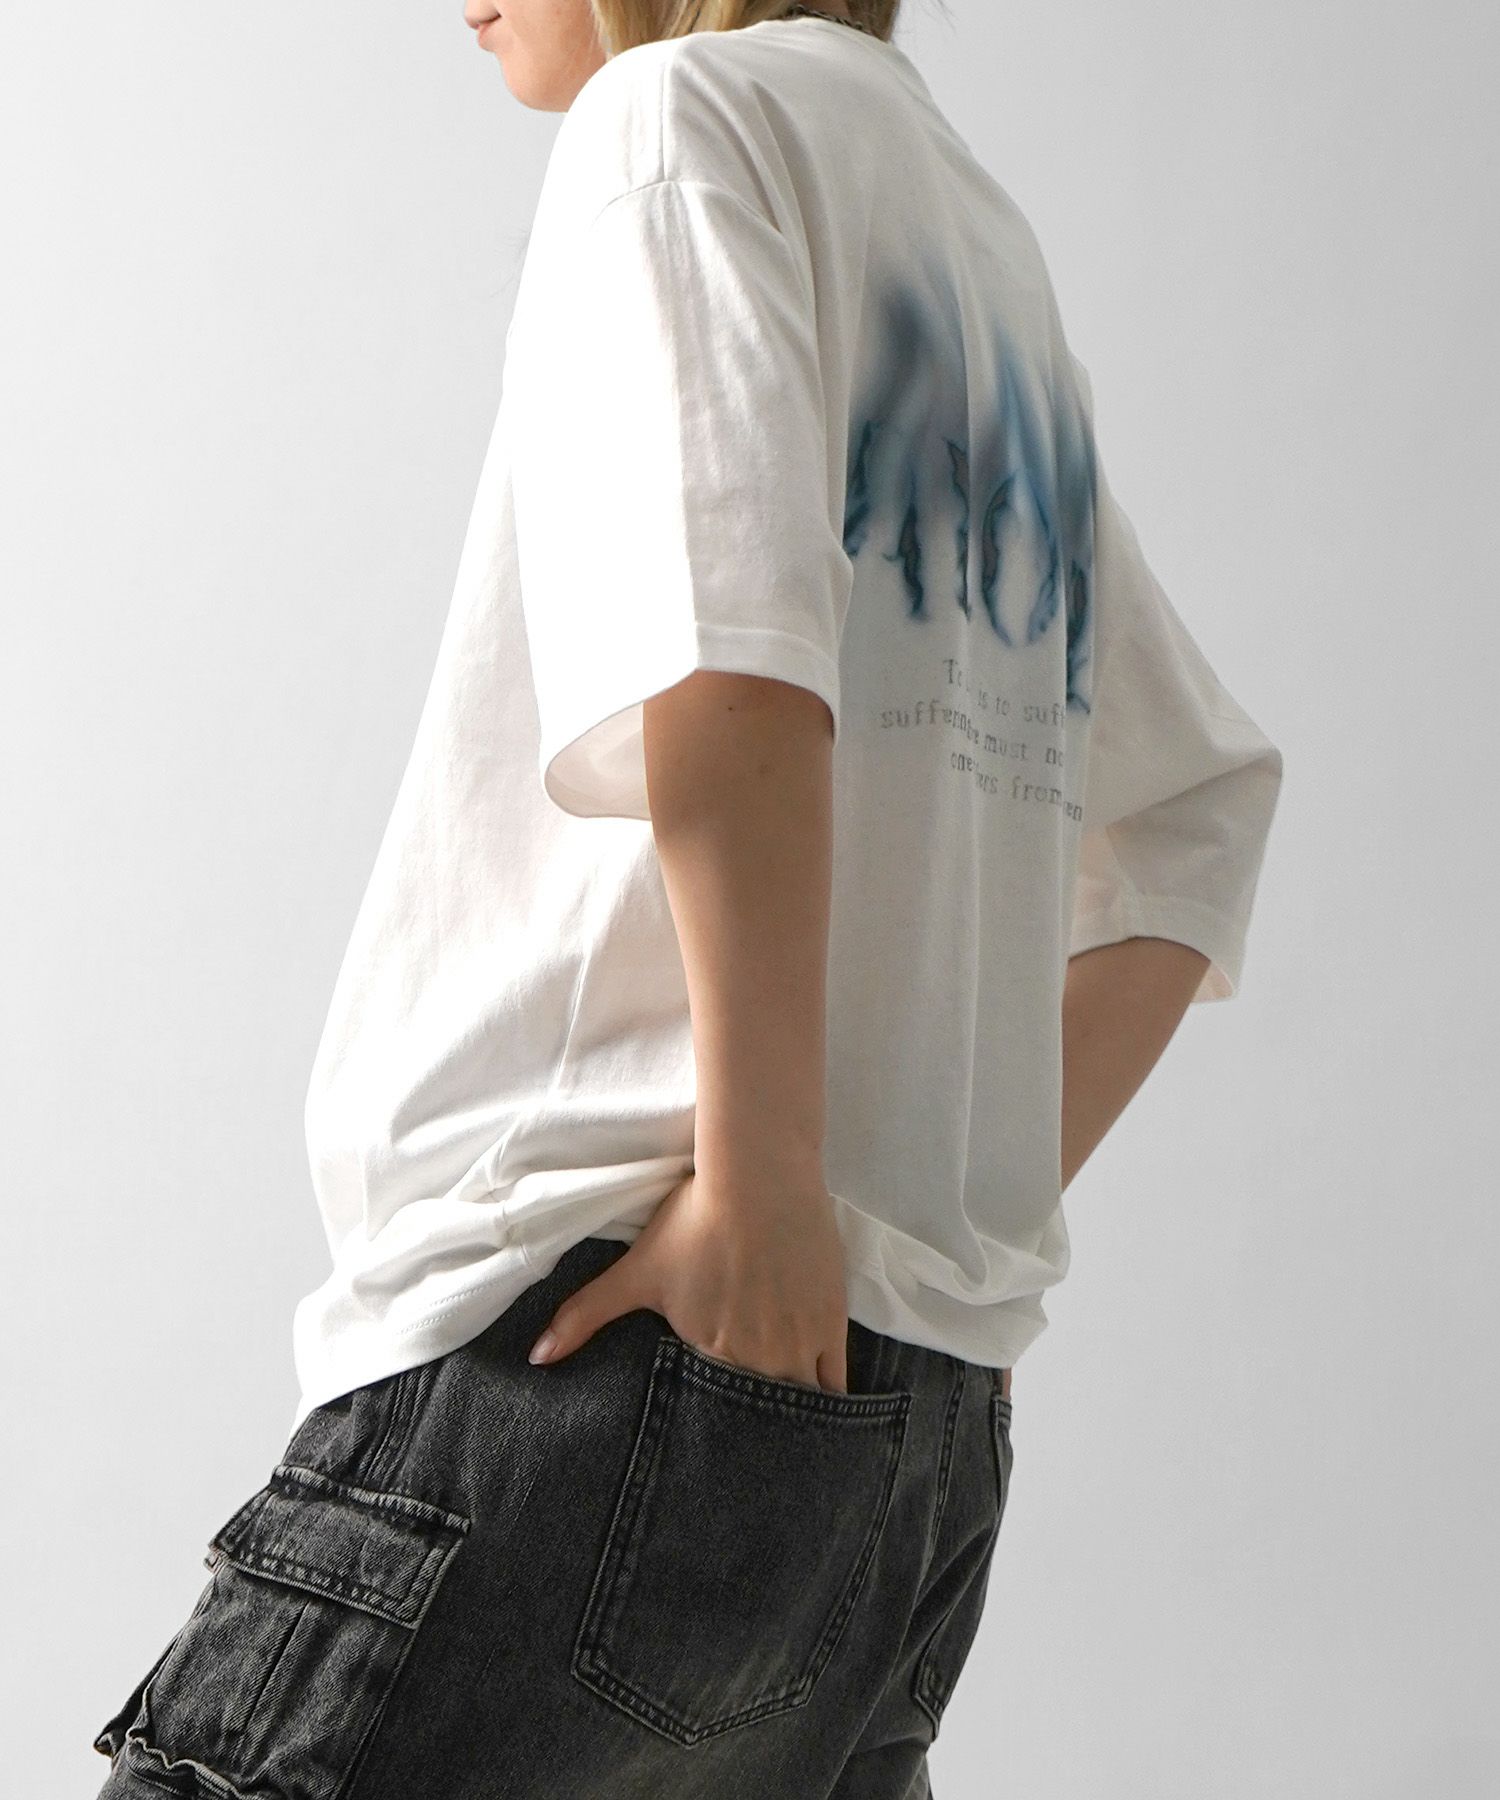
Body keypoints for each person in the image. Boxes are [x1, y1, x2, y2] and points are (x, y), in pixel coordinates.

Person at [91, 3, 1284, 1796]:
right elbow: (1197, 817)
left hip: (612, 1340)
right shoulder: (975, 244)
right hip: (897, 1425)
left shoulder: (676, 120)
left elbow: (730, 670)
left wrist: (773, 1194)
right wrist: (924, 1242)